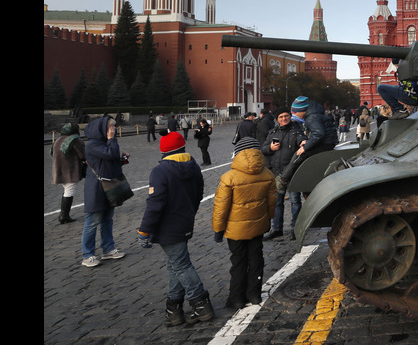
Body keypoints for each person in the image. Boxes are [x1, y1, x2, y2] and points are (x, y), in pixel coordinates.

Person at [136, 130, 213, 325]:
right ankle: (174, 308)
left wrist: (144, 230)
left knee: (181, 264)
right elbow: (199, 194)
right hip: (185, 220)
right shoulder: (193, 165)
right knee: (175, 264)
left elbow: (155, 204)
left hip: (167, 226)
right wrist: (190, 213)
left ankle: (201, 304)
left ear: (163, 151)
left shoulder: (160, 171)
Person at [212, 137, 277, 309]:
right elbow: (272, 203)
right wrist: (268, 220)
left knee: (238, 261)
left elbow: (221, 207)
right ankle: (254, 294)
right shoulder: (268, 174)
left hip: (235, 229)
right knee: (256, 259)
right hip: (258, 225)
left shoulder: (228, 177)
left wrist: (218, 229)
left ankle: (236, 298)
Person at [81, 115, 129, 267]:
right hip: (96, 188)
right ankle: (87, 255)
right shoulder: (92, 145)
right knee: (93, 221)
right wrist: (112, 140)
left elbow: (111, 161)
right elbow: (110, 154)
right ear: (102, 129)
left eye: (114, 126)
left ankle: (108, 249)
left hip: (108, 186)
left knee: (107, 219)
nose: (114, 129)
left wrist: (122, 160)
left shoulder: (105, 143)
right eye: (111, 126)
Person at [261, 107, 306, 241]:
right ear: (277, 119)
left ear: (290, 116)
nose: (284, 119)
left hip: (292, 171)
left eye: (286, 116)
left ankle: (295, 228)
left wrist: (303, 142)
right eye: (281, 117)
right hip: (277, 172)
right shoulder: (273, 132)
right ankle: (277, 229)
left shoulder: (296, 130)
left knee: (295, 201)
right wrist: (270, 148)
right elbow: (263, 148)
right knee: (277, 202)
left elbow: (301, 139)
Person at [279, 96, 338, 185]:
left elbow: (319, 134)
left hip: (326, 143)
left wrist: (305, 147)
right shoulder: (313, 114)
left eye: (295, 112)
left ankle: (283, 179)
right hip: (328, 141)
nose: (294, 114)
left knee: (299, 154)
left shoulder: (311, 117)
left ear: (302, 110)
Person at [51, 122, 85, 224]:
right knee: (69, 191)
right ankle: (64, 216)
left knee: (67, 190)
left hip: (59, 169)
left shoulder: (58, 140)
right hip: (70, 170)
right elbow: (83, 155)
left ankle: (64, 214)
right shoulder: (74, 140)